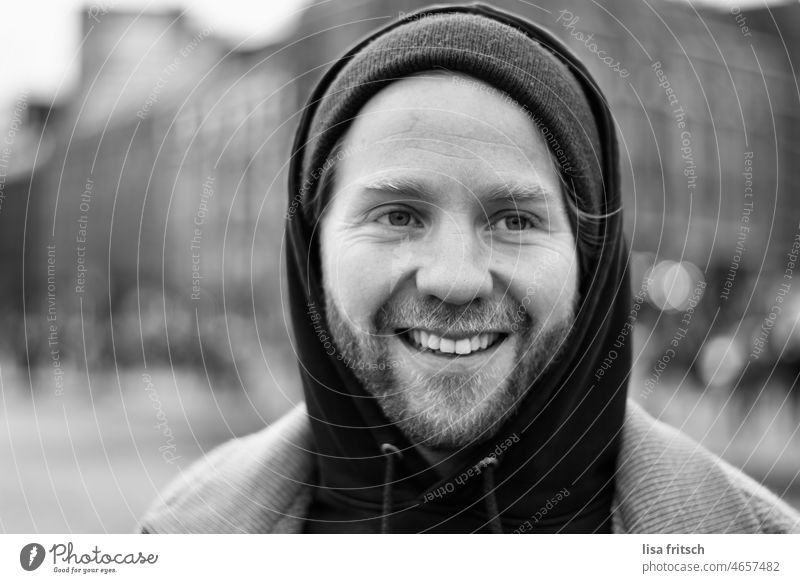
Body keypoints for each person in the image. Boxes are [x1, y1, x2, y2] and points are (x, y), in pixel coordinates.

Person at [138, 3, 800, 534]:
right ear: (314, 249)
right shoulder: (180, 537)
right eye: (398, 215)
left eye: (514, 221)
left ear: (588, 262)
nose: (454, 279)